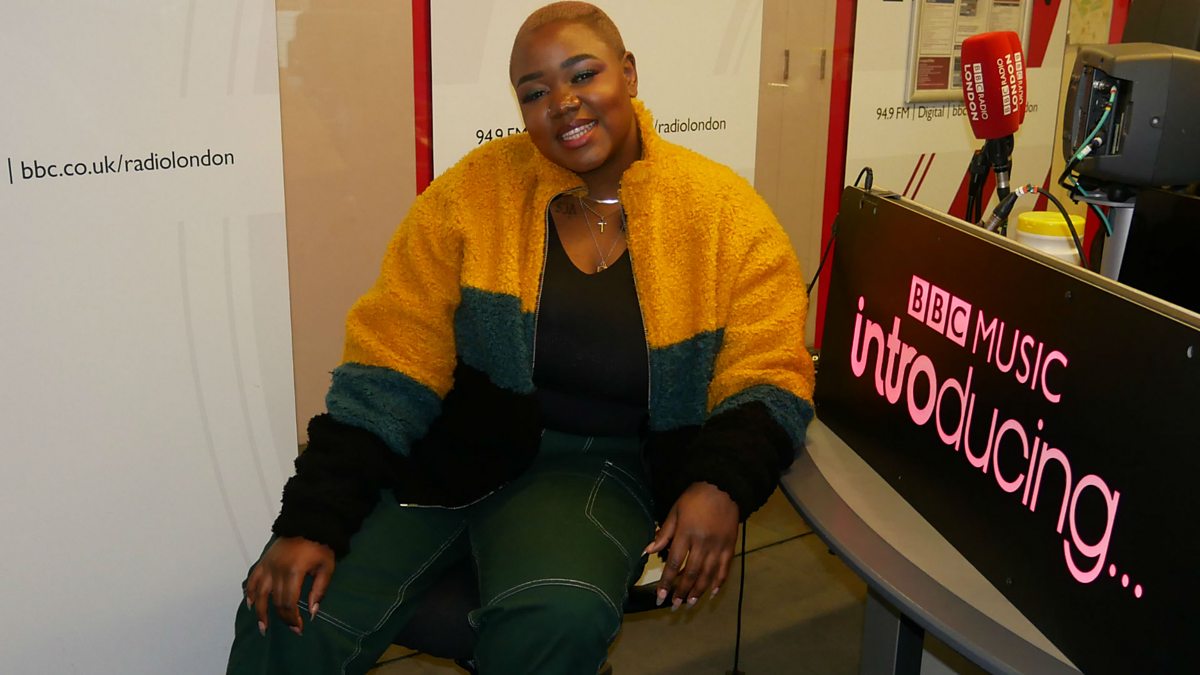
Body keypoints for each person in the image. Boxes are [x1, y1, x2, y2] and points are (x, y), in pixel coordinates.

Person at [227, 2, 814, 673]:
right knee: (290, 607)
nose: (562, 103)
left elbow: (772, 372)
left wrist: (720, 483)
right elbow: (389, 365)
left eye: (583, 74)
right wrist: (312, 518)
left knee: (555, 616)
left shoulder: (725, 215)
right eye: (535, 92)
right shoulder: (472, 195)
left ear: (628, 73)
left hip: (599, 467)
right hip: (455, 451)